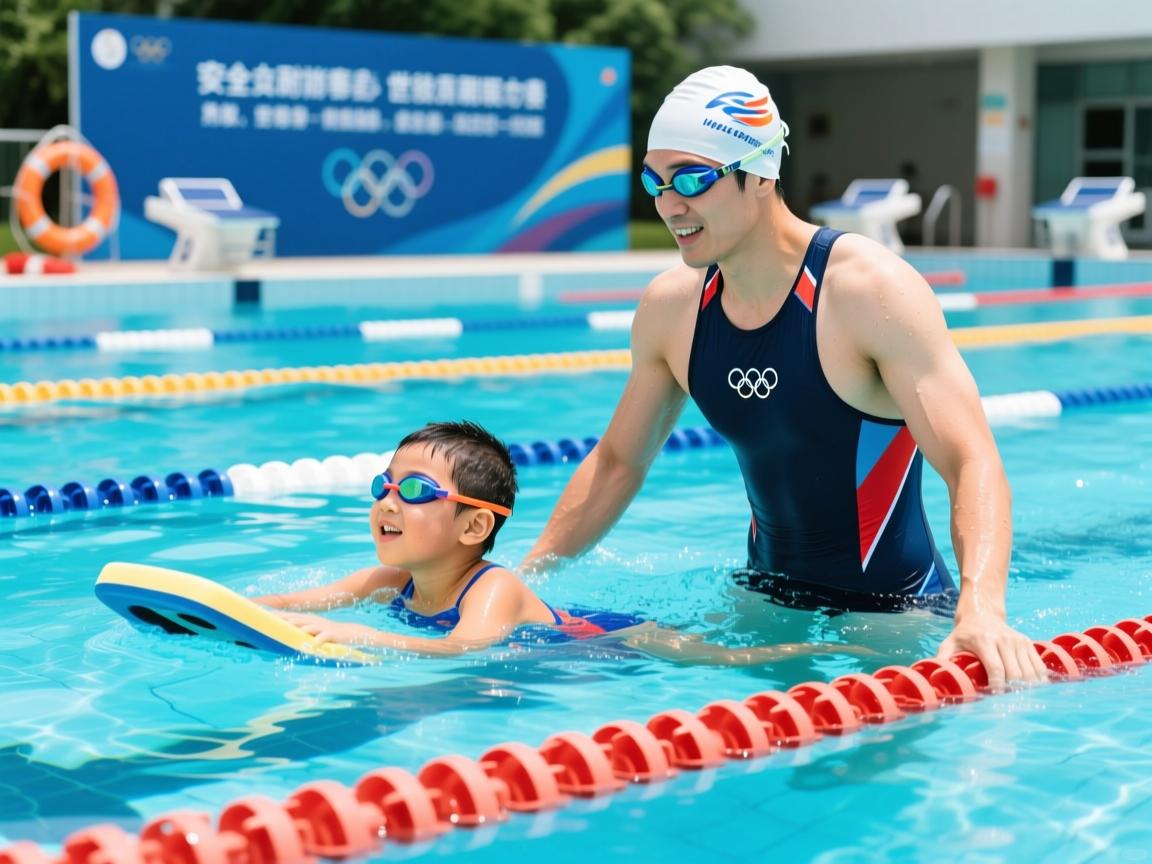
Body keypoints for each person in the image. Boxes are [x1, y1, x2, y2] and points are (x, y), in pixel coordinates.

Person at [521, 66, 1047, 690]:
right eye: (654, 181)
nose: (669, 204)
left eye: (692, 178)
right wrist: (527, 578)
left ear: (761, 173)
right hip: (759, 605)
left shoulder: (865, 291)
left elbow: (971, 460)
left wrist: (981, 609)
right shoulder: (673, 309)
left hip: (891, 621)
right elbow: (617, 464)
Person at [258, 420, 850, 665]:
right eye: (382, 486)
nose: (387, 502)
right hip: (564, 640)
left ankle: (827, 655)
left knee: (729, 657)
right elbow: (298, 602)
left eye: (414, 490)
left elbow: (466, 648)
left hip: (612, 641)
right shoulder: (392, 582)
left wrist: (362, 636)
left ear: (473, 527)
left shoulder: (493, 588)